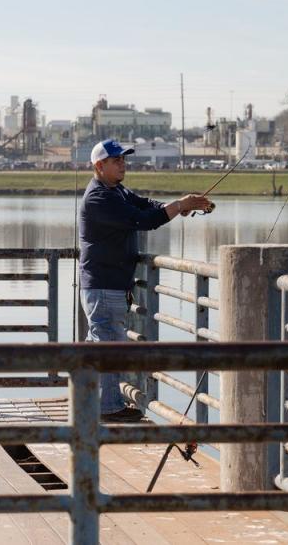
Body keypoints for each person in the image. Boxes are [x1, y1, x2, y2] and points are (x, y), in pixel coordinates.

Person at [79, 139, 213, 422]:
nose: (123, 164)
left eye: (124, 160)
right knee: (108, 346)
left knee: (101, 343)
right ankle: (107, 408)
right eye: (117, 160)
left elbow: (147, 206)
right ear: (99, 166)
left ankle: (94, 402)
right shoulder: (100, 198)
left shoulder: (117, 191)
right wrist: (179, 206)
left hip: (108, 284)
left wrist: (176, 206)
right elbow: (143, 220)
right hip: (104, 284)